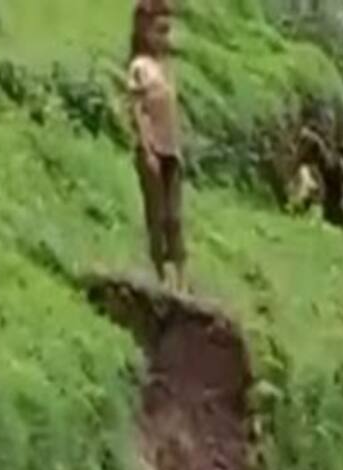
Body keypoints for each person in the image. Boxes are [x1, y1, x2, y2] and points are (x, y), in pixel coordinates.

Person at [127, 0, 186, 290]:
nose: (164, 38)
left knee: (175, 217)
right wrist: (146, 147)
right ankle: (160, 274)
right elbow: (138, 109)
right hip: (154, 149)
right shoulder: (140, 67)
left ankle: (181, 277)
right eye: (158, 31)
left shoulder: (166, 67)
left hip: (172, 149)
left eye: (167, 31)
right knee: (158, 214)